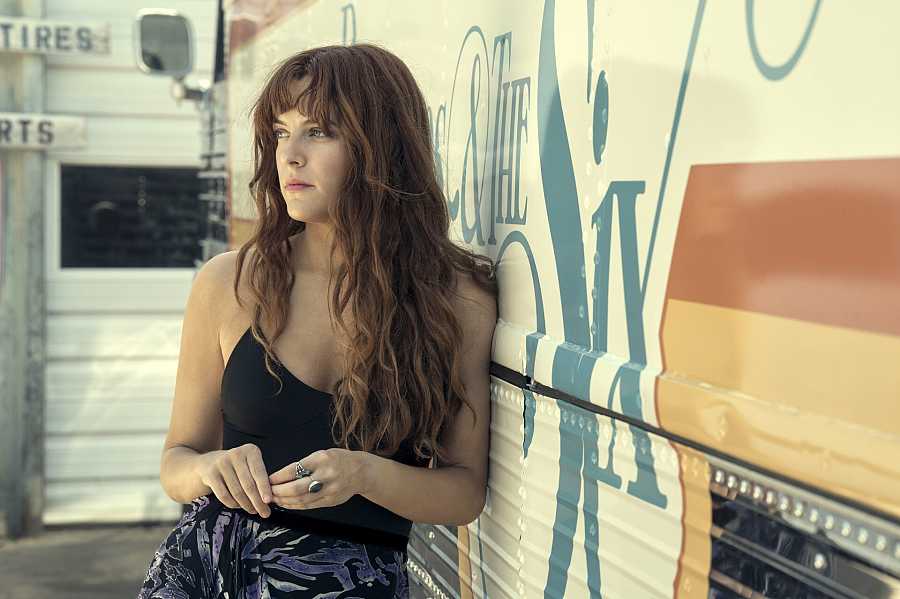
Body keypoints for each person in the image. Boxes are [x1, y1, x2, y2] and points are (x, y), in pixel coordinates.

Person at [137, 43, 498, 598]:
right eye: (281, 133)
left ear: (381, 146)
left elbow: (464, 492)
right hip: (208, 574)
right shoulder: (230, 282)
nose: (290, 155)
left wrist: (365, 474)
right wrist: (211, 469)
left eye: (319, 132)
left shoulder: (455, 299)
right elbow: (176, 460)